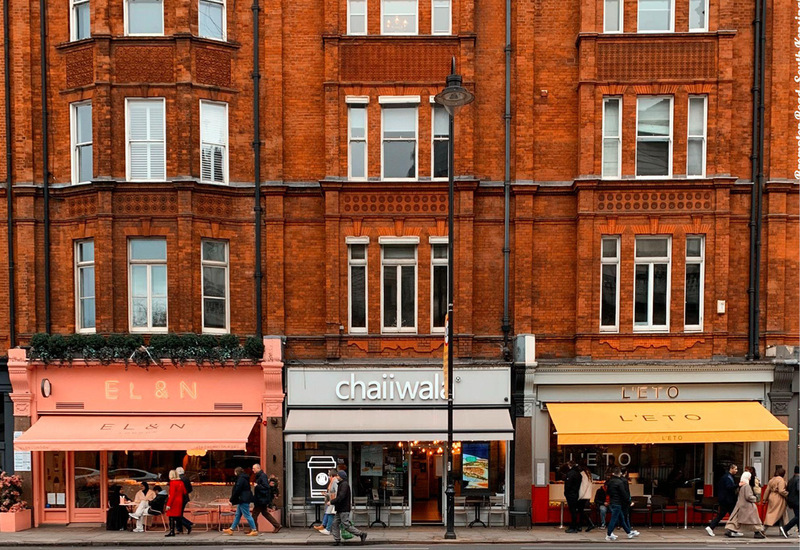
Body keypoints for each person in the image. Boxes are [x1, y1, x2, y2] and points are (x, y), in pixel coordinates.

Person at [329, 470, 367, 546]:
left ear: (341, 477)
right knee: (334, 523)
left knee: (345, 525)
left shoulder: (344, 485)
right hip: (340, 509)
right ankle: (337, 540)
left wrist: (332, 502)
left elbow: (341, 496)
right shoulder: (341, 484)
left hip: (343, 509)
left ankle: (361, 534)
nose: (337, 477)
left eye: (338, 476)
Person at [725, 470, 765, 538]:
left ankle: (731, 530)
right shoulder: (747, 486)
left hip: (740, 505)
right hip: (747, 506)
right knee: (753, 520)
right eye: (749, 477)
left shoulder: (741, 485)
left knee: (737, 520)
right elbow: (748, 496)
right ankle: (757, 532)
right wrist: (755, 498)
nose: (750, 478)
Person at [604, 467, 639, 541]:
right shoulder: (620, 482)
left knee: (621, 518)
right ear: (619, 473)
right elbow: (624, 494)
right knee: (614, 519)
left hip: (612, 502)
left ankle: (629, 533)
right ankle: (609, 534)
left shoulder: (610, 482)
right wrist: (629, 502)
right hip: (618, 503)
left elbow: (608, 492)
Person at [222, 467, 259, 536]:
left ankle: (254, 530)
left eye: (235, 472)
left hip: (242, 499)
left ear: (237, 472)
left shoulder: (241, 479)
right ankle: (231, 529)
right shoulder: (244, 478)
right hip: (243, 498)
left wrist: (232, 500)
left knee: (247, 515)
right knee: (238, 515)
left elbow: (237, 490)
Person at [706, 463, 738, 536]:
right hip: (727, 500)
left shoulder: (728, 476)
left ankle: (732, 530)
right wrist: (738, 485)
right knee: (732, 515)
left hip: (725, 500)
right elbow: (729, 487)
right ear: (731, 469)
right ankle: (732, 530)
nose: (736, 470)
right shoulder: (727, 477)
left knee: (725, 515)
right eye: (735, 469)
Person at [252, 463, 281, 533]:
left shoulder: (262, 476)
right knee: (265, 513)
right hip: (261, 499)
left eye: (254, 468)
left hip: (261, 499)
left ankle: (254, 529)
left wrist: (257, 486)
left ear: (258, 468)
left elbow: (266, 487)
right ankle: (277, 525)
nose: (253, 470)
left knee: (254, 515)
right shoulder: (260, 476)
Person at [763, 466, 789, 535]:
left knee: (782, 514)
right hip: (778, 498)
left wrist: (764, 499)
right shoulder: (781, 480)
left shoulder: (771, 480)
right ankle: (763, 529)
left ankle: (785, 530)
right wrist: (787, 494)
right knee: (773, 514)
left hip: (771, 496)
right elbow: (781, 490)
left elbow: (767, 490)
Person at [165, 469, 187, 537]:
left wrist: (168, 504)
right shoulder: (181, 482)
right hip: (180, 500)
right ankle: (187, 526)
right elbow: (184, 492)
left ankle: (172, 531)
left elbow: (172, 495)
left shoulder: (172, 483)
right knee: (177, 516)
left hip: (174, 501)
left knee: (171, 516)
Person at [316, 468, 338, 535]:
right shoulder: (333, 481)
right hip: (332, 501)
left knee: (330, 514)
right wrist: (327, 494)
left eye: (329, 475)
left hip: (333, 501)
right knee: (330, 514)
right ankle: (329, 529)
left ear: (332, 475)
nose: (328, 477)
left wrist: (333, 499)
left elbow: (336, 492)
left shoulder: (334, 481)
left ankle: (328, 529)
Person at [564, 460, 583, 533]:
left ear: (569, 465)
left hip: (571, 494)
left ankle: (573, 527)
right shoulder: (578, 474)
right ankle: (574, 525)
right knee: (574, 510)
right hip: (576, 493)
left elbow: (568, 485)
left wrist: (566, 493)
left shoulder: (570, 474)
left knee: (572, 511)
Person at [175, 466, 194, 534]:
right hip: (185, 498)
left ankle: (187, 524)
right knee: (179, 513)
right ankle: (179, 528)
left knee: (177, 514)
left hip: (179, 498)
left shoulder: (177, 479)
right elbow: (190, 489)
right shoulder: (186, 479)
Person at [782, 466, 799, 537]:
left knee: (798, 516)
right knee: (798, 516)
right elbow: (799, 489)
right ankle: (786, 528)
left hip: (791, 501)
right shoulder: (799, 479)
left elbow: (787, 489)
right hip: (798, 501)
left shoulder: (791, 480)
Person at [578, 464, 595, 532]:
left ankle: (590, 524)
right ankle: (581, 526)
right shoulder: (589, 475)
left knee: (582, 512)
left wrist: (579, 496)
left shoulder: (583, 475)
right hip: (587, 496)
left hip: (583, 496)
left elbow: (583, 487)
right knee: (583, 512)